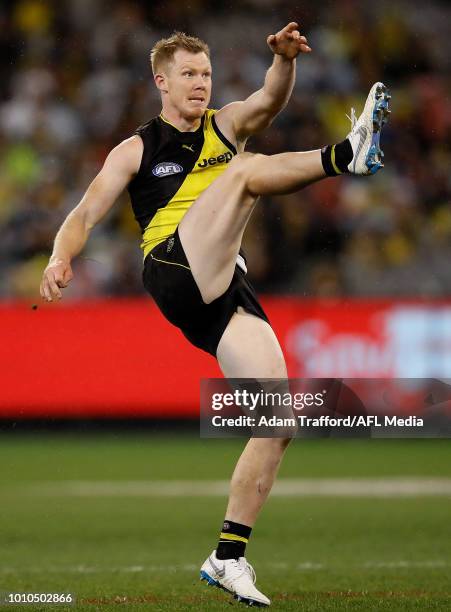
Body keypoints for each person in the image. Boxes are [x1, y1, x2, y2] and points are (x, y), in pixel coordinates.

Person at [40, 22, 390, 608]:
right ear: (162, 82)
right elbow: (84, 213)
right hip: (173, 267)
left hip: (225, 285)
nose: (200, 84)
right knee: (244, 172)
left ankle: (227, 557)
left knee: (277, 416)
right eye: (188, 75)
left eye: (205, 74)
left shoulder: (224, 125)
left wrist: (282, 61)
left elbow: (269, 101)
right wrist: (59, 256)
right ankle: (345, 154)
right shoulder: (137, 149)